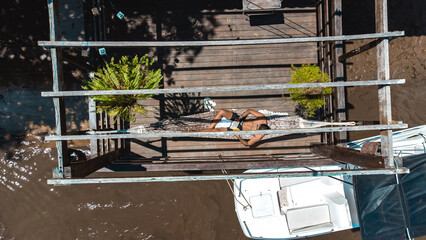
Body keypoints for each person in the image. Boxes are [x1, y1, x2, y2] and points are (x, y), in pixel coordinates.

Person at [195, 109, 270, 146]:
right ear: (261, 123)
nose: (255, 127)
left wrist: (238, 136)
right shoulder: (262, 118)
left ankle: (196, 132)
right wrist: (240, 117)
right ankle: (210, 128)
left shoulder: (259, 135)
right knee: (222, 111)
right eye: (257, 126)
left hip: (238, 128)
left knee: (217, 130)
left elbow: (247, 144)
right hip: (240, 120)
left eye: (256, 129)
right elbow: (249, 111)